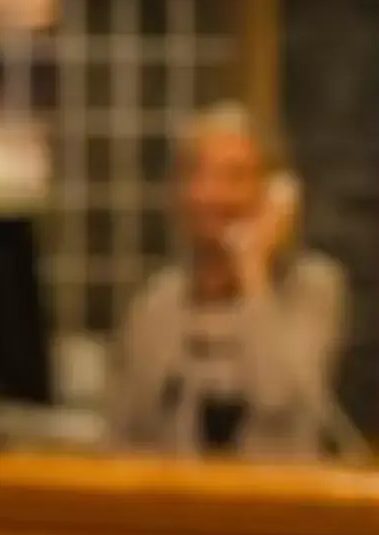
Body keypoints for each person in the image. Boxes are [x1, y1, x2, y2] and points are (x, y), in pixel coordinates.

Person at [113, 105, 359, 460]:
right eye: (198, 174)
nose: (211, 194)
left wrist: (251, 270)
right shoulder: (157, 303)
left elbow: (278, 399)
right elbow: (124, 437)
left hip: (274, 504)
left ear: (273, 192)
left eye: (234, 177)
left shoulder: (314, 288)